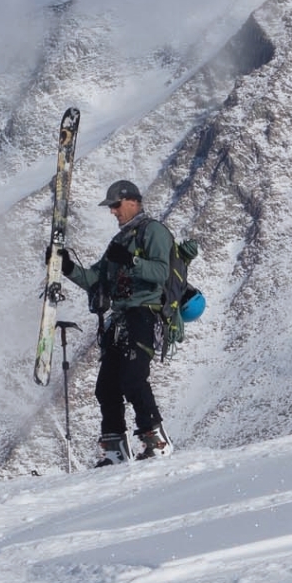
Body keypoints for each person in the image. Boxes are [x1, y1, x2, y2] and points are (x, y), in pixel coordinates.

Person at [63, 179, 176, 465]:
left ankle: (156, 440)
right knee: (107, 386)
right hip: (121, 317)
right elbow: (96, 280)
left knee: (133, 378)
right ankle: (114, 450)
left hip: (145, 314)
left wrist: (131, 261)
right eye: (111, 207)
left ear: (133, 202)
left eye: (116, 205)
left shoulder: (154, 232)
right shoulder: (119, 242)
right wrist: (67, 268)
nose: (113, 211)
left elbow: (162, 273)